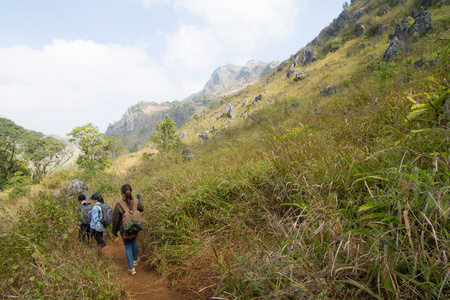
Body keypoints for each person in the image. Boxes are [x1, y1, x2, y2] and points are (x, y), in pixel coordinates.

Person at [112, 184, 144, 275]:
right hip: (136, 227)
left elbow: (116, 219)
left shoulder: (119, 204)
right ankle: (135, 259)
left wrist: (114, 231)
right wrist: (140, 199)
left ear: (122, 193)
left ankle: (131, 268)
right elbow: (142, 209)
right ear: (131, 191)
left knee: (127, 246)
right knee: (134, 242)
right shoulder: (136, 201)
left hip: (125, 229)